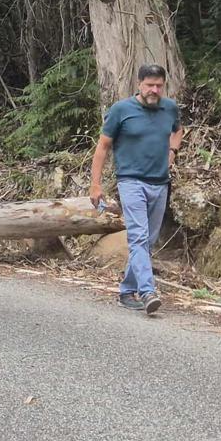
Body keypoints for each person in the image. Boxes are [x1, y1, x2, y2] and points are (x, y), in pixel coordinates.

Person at [89, 64, 183, 315]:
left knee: (148, 241)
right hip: (131, 182)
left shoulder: (169, 107)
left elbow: (177, 131)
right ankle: (147, 290)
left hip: (160, 183)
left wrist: (172, 151)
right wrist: (95, 184)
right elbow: (102, 148)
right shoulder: (122, 110)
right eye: (149, 85)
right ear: (139, 84)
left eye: (159, 85)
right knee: (139, 237)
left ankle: (126, 290)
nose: (154, 90)